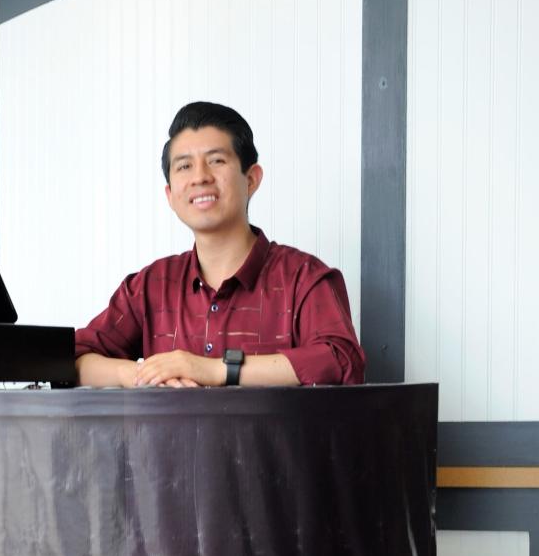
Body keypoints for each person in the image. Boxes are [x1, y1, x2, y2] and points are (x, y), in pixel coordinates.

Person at [75, 102, 365, 388]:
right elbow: (74, 360)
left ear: (251, 179)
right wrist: (141, 374)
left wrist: (215, 370)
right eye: (185, 166)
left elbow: (341, 360)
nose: (200, 176)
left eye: (216, 160)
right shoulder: (150, 286)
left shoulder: (303, 277)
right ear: (171, 195)